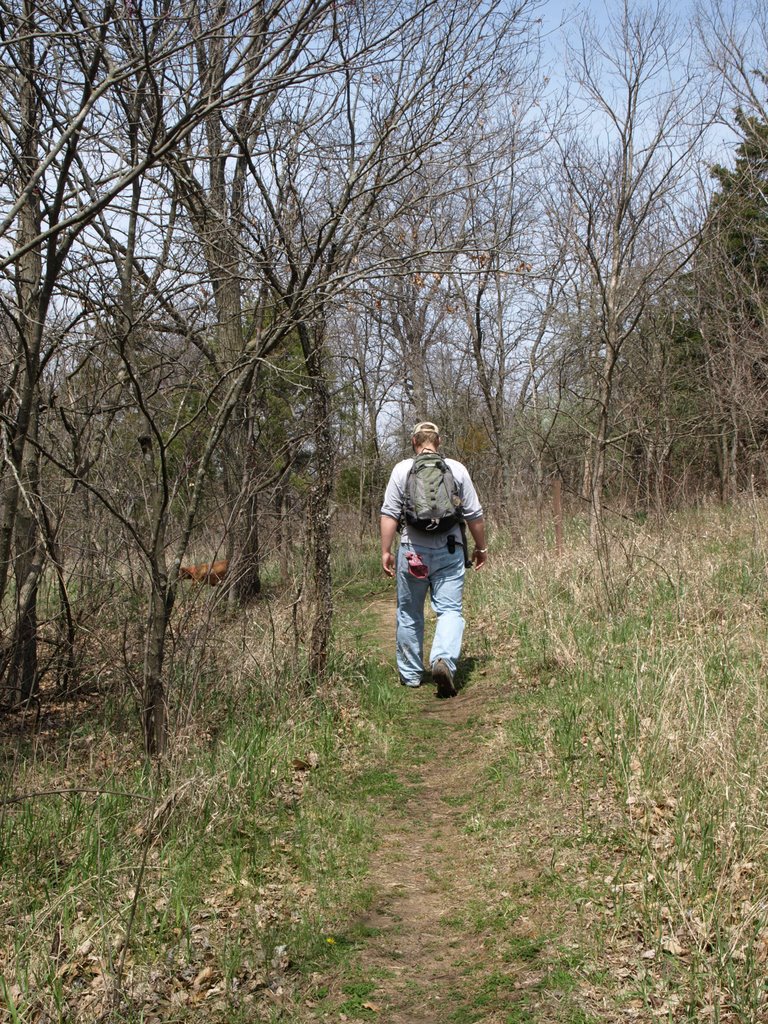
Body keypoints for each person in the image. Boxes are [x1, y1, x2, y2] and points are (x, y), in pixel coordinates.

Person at [379, 421, 487, 698]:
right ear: (438, 442)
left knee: (409, 612)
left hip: (413, 549)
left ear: (414, 442)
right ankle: (443, 660)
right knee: (449, 610)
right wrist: (481, 548)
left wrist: (386, 551)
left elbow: (390, 513)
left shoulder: (402, 470)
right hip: (450, 550)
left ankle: (411, 675)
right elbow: (474, 514)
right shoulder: (456, 469)